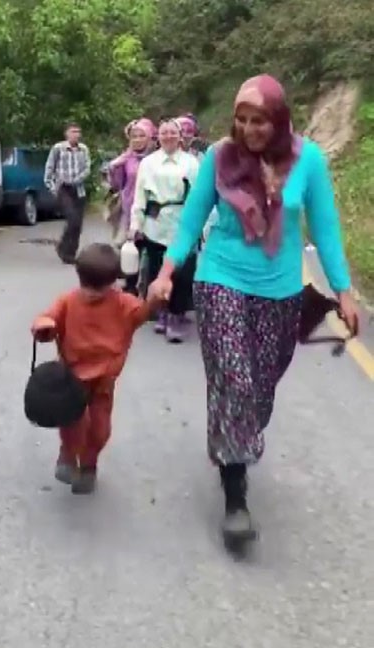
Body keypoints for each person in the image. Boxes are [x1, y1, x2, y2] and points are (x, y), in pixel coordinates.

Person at [150, 75, 359, 544]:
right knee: (236, 379)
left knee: (259, 391)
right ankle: (235, 493)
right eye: (241, 119)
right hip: (220, 278)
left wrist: (343, 291)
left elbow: (324, 231)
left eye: (259, 120)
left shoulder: (309, 161)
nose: (249, 129)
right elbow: (189, 223)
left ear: (279, 119)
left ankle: (234, 440)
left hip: (282, 290)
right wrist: (166, 273)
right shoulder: (218, 158)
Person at [30, 243, 161, 495]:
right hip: (72, 380)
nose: (90, 294)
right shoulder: (67, 301)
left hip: (103, 383)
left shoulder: (123, 304)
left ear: (112, 282)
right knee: (72, 423)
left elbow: (142, 313)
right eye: (86, 286)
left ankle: (89, 465)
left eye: (98, 288)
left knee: (100, 429)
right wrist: (44, 325)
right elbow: (47, 322)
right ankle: (68, 455)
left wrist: (155, 300)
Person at [129, 118, 200, 342]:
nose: (168, 136)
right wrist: (135, 225)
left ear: (180, 137)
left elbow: (199, 196)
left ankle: (177, 315)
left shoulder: (191, 163)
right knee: (156, 268)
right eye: (164, 133)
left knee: (183, 271)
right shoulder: (148, 163)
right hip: (156, 222)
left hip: (183, 222)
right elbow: (140, 196)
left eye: (172, 133)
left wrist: (201, 226)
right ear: (157, 137)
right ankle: (161, 311)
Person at [107, 118, 156, 295]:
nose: (137, 140)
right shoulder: (126, 159)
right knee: (131, 250)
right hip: (130, 208)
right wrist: (115, 168)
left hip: (152, 210)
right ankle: (131, 286)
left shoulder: (157, 158)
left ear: (150, 137)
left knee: (151, 251)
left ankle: (149, 290)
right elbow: (118, 185)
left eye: (141, 136)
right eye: (134, 136)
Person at [44, 123, 91, 264]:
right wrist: (53, 188)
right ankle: (63, 246)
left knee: (78, 224)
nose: (76, 134)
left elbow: (87, 168)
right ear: (66, 134)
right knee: (72, 219)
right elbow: (50, 167)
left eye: (78, 131)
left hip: (78, 188)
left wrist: (78, 179)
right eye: (73, 131)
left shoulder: (83, 149)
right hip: (63, 188)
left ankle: (70, 253)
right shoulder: (58, 148)